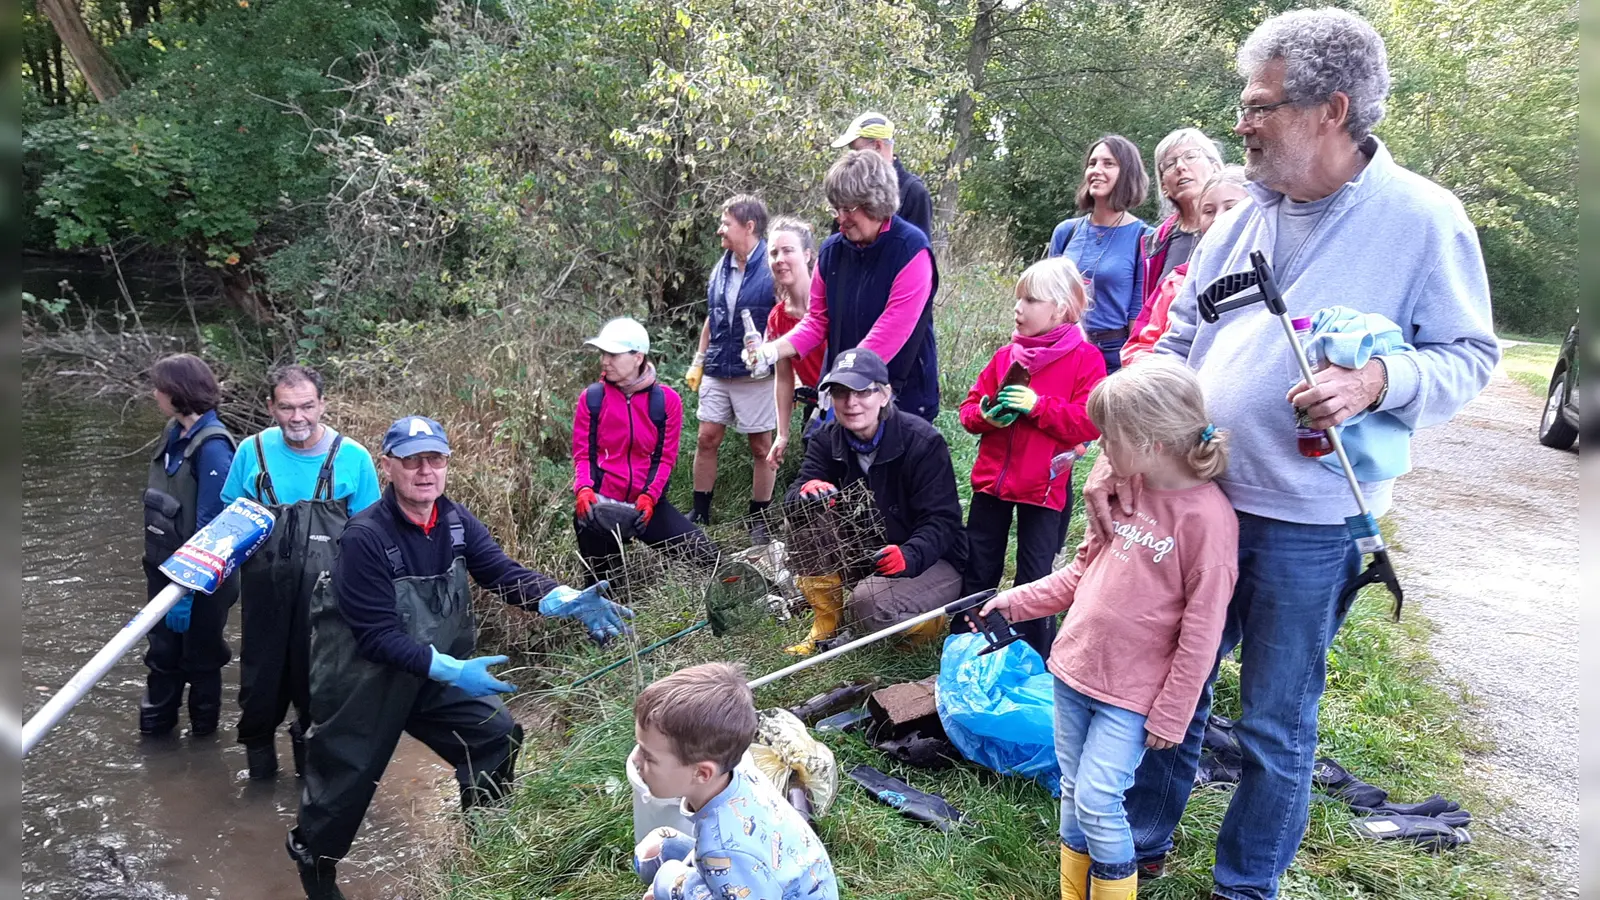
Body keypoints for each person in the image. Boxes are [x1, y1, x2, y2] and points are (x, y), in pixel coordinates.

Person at [1087, 10, 1498, 899]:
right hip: (1200, 498)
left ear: (1331, 110)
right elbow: (1180, 336)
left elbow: (1471, 357)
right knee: (1174, 683)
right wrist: (1125, 449)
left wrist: (1376, 381)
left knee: (1274, 719)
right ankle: (1144, 836)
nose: (1243, 123)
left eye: (1260, 105)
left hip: (1315, 523)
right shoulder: (1240, 219)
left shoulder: (1425, 219)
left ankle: (1245, 883)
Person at [288, 416, 634, 899]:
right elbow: (374, 637)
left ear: (447, 464)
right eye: (411, 461)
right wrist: (453, 670)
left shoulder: (453, 521)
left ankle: (484, 852)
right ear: (389, 467)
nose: (425, 471)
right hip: (363, 685)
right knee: (340, 793)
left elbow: (500, 572)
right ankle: (315, 868)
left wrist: (563, 598)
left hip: (428, 676)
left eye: (435, 459)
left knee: (495, 734)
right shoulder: (365, 536)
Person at [976, 359, 1237, 900]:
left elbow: (1202, 633)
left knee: (1098, 798)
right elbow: (1080, 572)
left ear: (1151, 443)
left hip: (1130, 695)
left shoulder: (1207, 524)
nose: (1099, 451)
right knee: (1073, 790)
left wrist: (1173, 709)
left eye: (1108, 440)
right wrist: (1014, 602)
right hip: (1073, 672)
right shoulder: (1125, 494)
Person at [220, 365, 381, 780]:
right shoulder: (249, 453)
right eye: (287, 407)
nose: (298, 418)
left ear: (323, 404)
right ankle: (259, 786)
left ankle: (311, 792)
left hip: (329, 604)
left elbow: (370, 537)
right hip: (264, 600)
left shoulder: (353, 457)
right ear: (270, 406)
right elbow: (227, 525)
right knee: (259, 694)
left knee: (321, 695)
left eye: (307, 406)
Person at [956, 256, 1106, 659]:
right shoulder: (1007, 356)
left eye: (1030, 300)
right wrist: (986, 416)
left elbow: (1089, 423)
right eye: (1017, 299)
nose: (1018, 309)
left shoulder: (1084, 359)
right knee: (980, 563)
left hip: (1043, 489)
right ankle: (969, 640)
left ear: (1059, 308)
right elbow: (968, 411)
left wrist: (1038, 406)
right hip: (992, 483)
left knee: (1034, 573)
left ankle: (1033, 654)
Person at [782, 348, 965, 654]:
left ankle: (927, 624)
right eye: (840, 393)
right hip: (868, 550)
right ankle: (825, 624)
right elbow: (793, 499)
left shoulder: (923, 442)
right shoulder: (826, 439)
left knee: (867, 605)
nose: (851, 403)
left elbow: (943, 522)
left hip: (931, 559)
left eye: (862, 392)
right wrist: (805, 492)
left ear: (885, 395)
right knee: (804, 515)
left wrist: (910, 554)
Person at [749, 151, 942, 422]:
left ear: (875, 202)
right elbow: (816, 321)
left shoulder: (911, 251)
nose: (840, 218)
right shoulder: (832, 251)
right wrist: (771, 351)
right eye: (836, 208)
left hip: (902, 392)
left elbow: (891, 329)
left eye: (848, 209)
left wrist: (840, 379)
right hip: (845, 388)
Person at [630, 662, 838, 900]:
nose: (636, 759)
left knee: (666, 877)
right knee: (653, 850)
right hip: (779, 875)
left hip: (761, 884)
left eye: (649, 756)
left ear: (702, 773)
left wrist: (672, 884)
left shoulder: (721, 845)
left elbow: (726, 858)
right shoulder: (741, 772)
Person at [572, 317, 717, 584]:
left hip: (646, 505)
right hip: (599, 504)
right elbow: (583, 455)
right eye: (604, 354)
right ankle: (601, 621)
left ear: (638, 357)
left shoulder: (667, 402)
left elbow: (664, 459)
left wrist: (650, 497)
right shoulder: (592, 398)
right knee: (603, 586)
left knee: (709, 556)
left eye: (613, 354)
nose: (605, 361)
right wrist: (583, 489)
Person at [138, 353, 237, 737]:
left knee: (202, 659)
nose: (155, 394)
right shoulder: (173, 432)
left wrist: (189, 592)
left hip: (201, 580)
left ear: (178, 392)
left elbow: (213, 526)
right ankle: (156, 741)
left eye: (160, 388)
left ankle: (203, 742)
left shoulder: (214, 447)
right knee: (162, 655)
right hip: (162, 567)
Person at [684, 194, 778, 528]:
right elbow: (714, 315)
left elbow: (790, 316)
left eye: (727, 223)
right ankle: (700, 513)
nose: (720, 230)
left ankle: (759, 519)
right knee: (706, 437)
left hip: (757, 374)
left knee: (761, 446)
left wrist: (778, 357)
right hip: (717, 367)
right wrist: (699, 359)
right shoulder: (721, 266)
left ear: (749, 226)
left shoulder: (772, 265)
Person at [1121, 166, 1250, 367]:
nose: (1218, 218)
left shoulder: (1276, 275)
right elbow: (1139, 346)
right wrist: (1163, 369)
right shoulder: (1177, 283)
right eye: (1208, 211)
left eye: (1231, 208)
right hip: (1179, 389)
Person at [1047, 135, 1151, 375]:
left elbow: (1138, 313)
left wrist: (1134, 371)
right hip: (1063, 348)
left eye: (1108, 163)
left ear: (1127, 173)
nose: (1096, 170)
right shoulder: (1066, 231)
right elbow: (1045, 297)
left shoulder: (1144, 237)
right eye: (1092, 163)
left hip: (1113, 356)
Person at [1129, 128, 1225, 344]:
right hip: (1168, 357)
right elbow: (1148, 315)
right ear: (1164, 186)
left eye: (1191, 156)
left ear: (1216, 166)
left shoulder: (1240, 225)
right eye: (1170, 164)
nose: (1181, 167)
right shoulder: (1155, 243)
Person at [762, 216, 827, 473]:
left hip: (851, 402)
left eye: (788, 250)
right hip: (815, 407)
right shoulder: (778, 317)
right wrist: (782, 433)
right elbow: (784, 378)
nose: (780, 259)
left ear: (808, 255)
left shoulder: (831, 303)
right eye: (774, 253)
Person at [830, 110, 934, 239]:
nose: (853, 156)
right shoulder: (848, 184)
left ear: (878, 146)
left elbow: (919, 250)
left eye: (857, 150)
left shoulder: (914, 192)